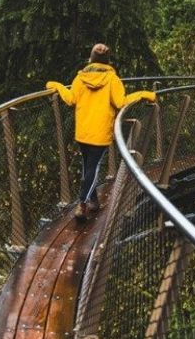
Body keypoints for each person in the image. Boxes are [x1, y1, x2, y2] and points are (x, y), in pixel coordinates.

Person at [46, 43, 155, 220]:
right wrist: (143, 94)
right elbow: (120, 103)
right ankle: (82, 204)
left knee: (87, 167)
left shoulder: (80, 78)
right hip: (100, 132)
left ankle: (93, 202)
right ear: (108, 61)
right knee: (92, 168)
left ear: (91, 59)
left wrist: (57, 86)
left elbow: (70, 99)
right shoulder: (112, 80)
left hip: (83, 131)